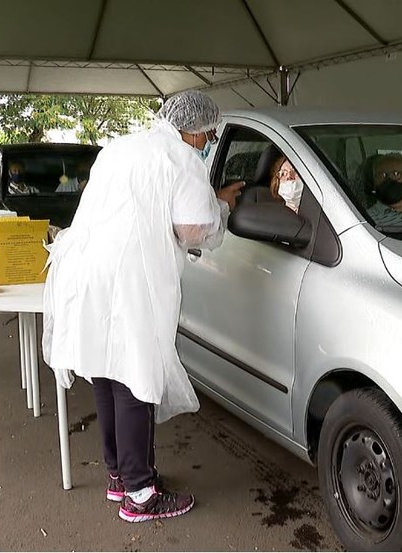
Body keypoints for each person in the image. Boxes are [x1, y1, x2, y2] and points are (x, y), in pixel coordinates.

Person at [41, 90, 243, 523]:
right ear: (193, 131)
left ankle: (120, 476)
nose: (207, 140)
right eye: (207, 133)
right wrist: (222, 204)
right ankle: (142, 494)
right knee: (136, 373)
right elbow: (192, 230)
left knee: (107, 367)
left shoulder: (122, 147)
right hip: (132, 279)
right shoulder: (183, 159)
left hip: (89, 271)